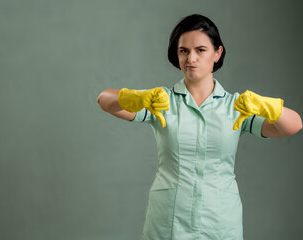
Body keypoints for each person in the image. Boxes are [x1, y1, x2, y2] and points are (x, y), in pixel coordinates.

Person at [97, 14, 302, 240]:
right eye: (183, 51)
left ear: (217, 53)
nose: (191, 59)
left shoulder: (238, 106)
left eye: (200, 50)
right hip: (168, 221)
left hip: (220, 222)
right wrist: (135, 97)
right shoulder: (160, 101)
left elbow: (293, 125)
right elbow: (104, 101)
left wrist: (267, 106)